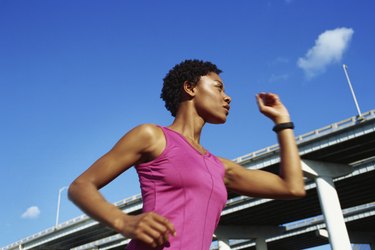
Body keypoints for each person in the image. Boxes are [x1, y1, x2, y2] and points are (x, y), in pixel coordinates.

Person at [68, 59, 306, 250]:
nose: (227, 97)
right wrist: (124, 222)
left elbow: (292, 187)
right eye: (218, 87)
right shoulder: (152, 136)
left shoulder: (220, 167)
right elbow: (81, 186)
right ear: (190, 88)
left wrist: (283, 122)